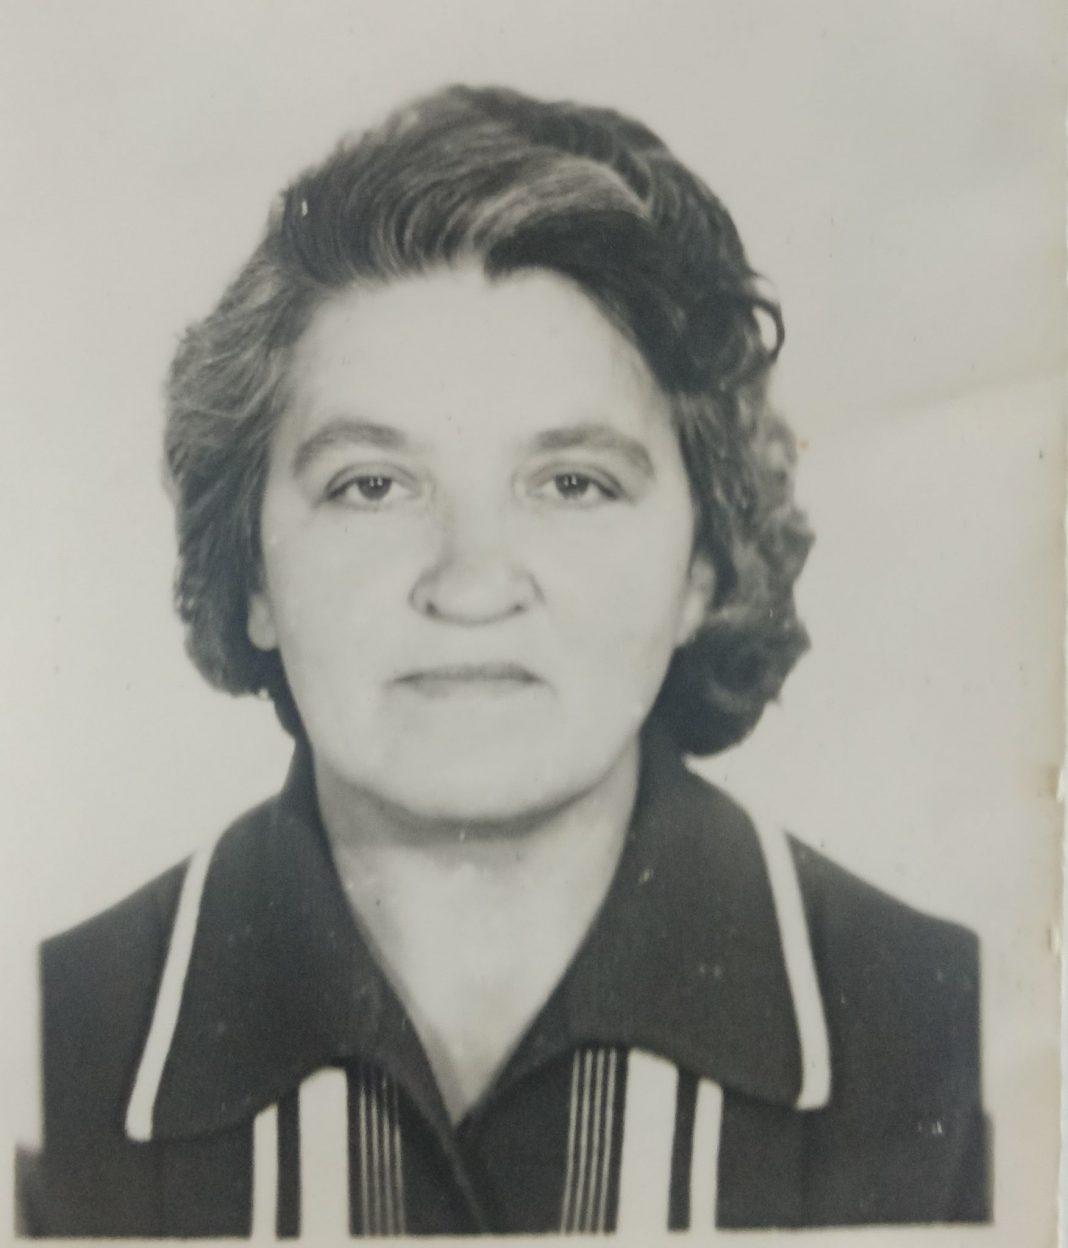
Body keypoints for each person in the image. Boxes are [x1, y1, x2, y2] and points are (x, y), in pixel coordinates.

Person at [19, 85, 989, 1236]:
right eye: (371, 485)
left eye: (572, 483)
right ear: (254, 573)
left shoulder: (953, 1044)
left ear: (703, 563)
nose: (471, 582)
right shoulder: (46, 1054)